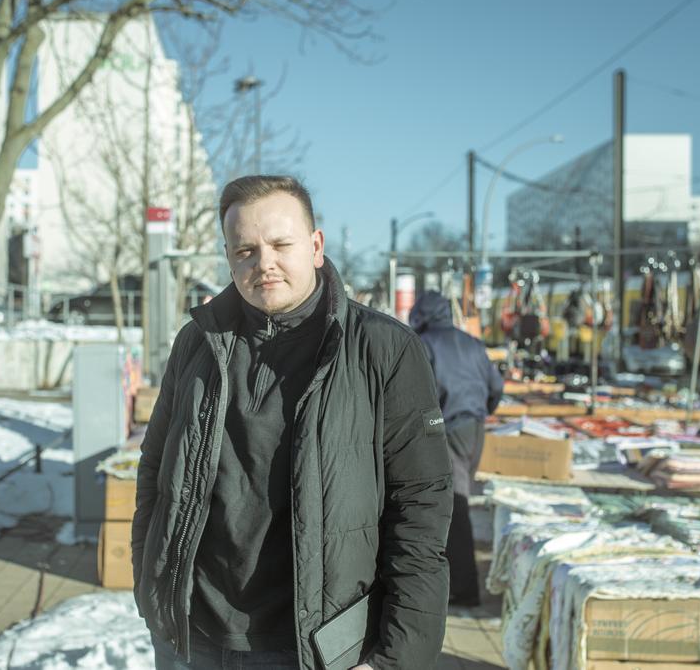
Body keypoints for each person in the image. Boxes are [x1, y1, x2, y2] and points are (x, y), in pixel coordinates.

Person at [132, 175, 453, 670]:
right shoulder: (197, 343)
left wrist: (398, 657)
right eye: (245, 250)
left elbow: (420, 513)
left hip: (316, 649)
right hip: (191, 640)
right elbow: (155, 473)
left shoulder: (383, 350)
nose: (265, 263)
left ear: (316, 245)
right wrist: (150, 587)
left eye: (281, 244)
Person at [407, 290, 505, 607]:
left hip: (447, 429)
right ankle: (458, 583)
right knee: (456, 504)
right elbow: (496, 388)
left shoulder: (424, 344)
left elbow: (415, 393)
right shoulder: (472, 342)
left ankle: (464, 590)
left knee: (455, 509)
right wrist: (480, 410)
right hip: (475, 429)